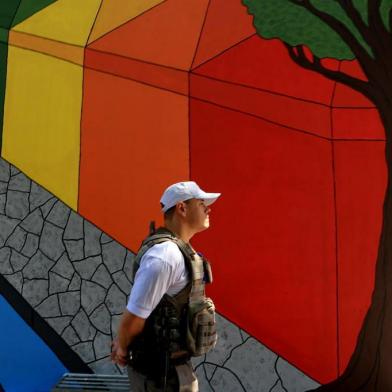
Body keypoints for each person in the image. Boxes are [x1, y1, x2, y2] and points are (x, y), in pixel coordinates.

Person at [111, 181, 221, 391]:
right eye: (201, 203)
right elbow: (134, 317)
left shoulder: (179, 251)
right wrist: (122, 348)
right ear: (182, 208)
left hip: (175, 371)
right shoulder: (165, 256)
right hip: (161, 377)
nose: (208, 208)